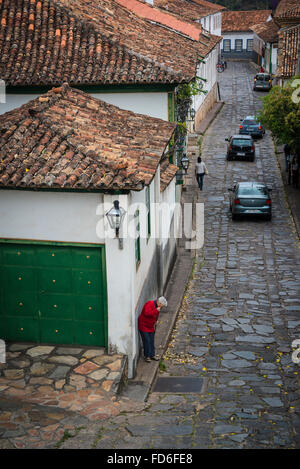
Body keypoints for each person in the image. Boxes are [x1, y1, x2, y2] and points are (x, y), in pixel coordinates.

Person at [138, 297, 167, 362]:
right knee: (147, 340)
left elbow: (156, 315)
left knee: (151, 340)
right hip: (143, 325)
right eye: (162, 305)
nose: (162, 307)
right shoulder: (149, 304)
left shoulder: (158, 307)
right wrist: (156, 310)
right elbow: (146, 313)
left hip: (150, 326)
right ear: (159, 303)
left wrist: (156, 321)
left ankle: (152, 355)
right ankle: (147, 356)